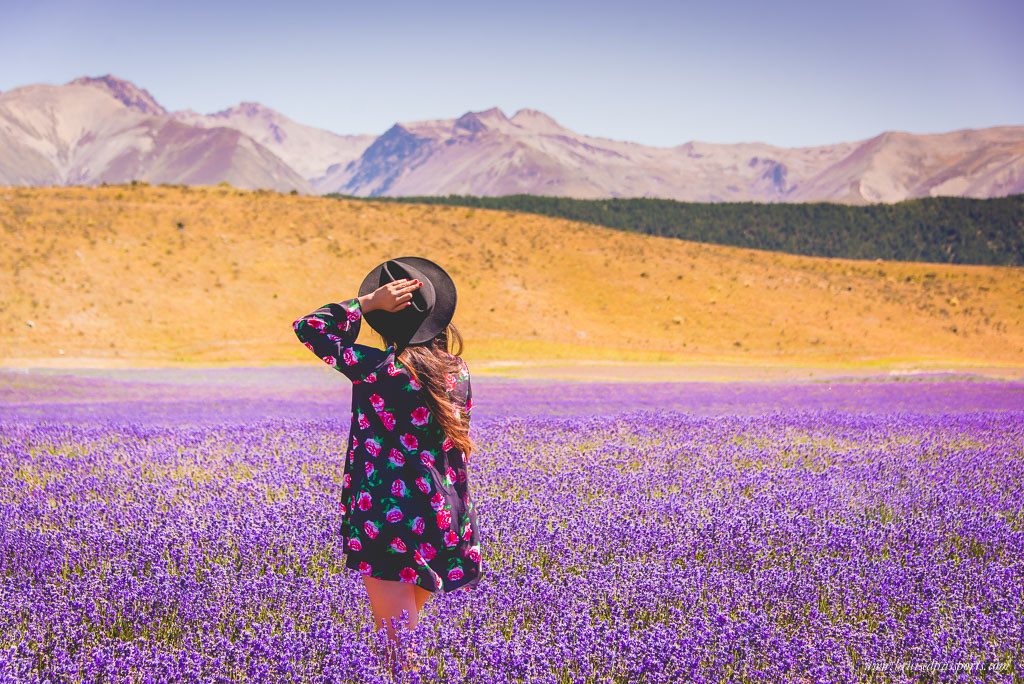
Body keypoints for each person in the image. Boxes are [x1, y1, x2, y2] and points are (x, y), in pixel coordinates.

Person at [291, 256, 482, 675]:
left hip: (387, 520)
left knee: (397, 655)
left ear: (387, 326)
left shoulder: (379, 371)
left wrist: (366, 303)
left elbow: (309, 327)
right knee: (405, 633)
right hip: (442, 516)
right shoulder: (458, 372)